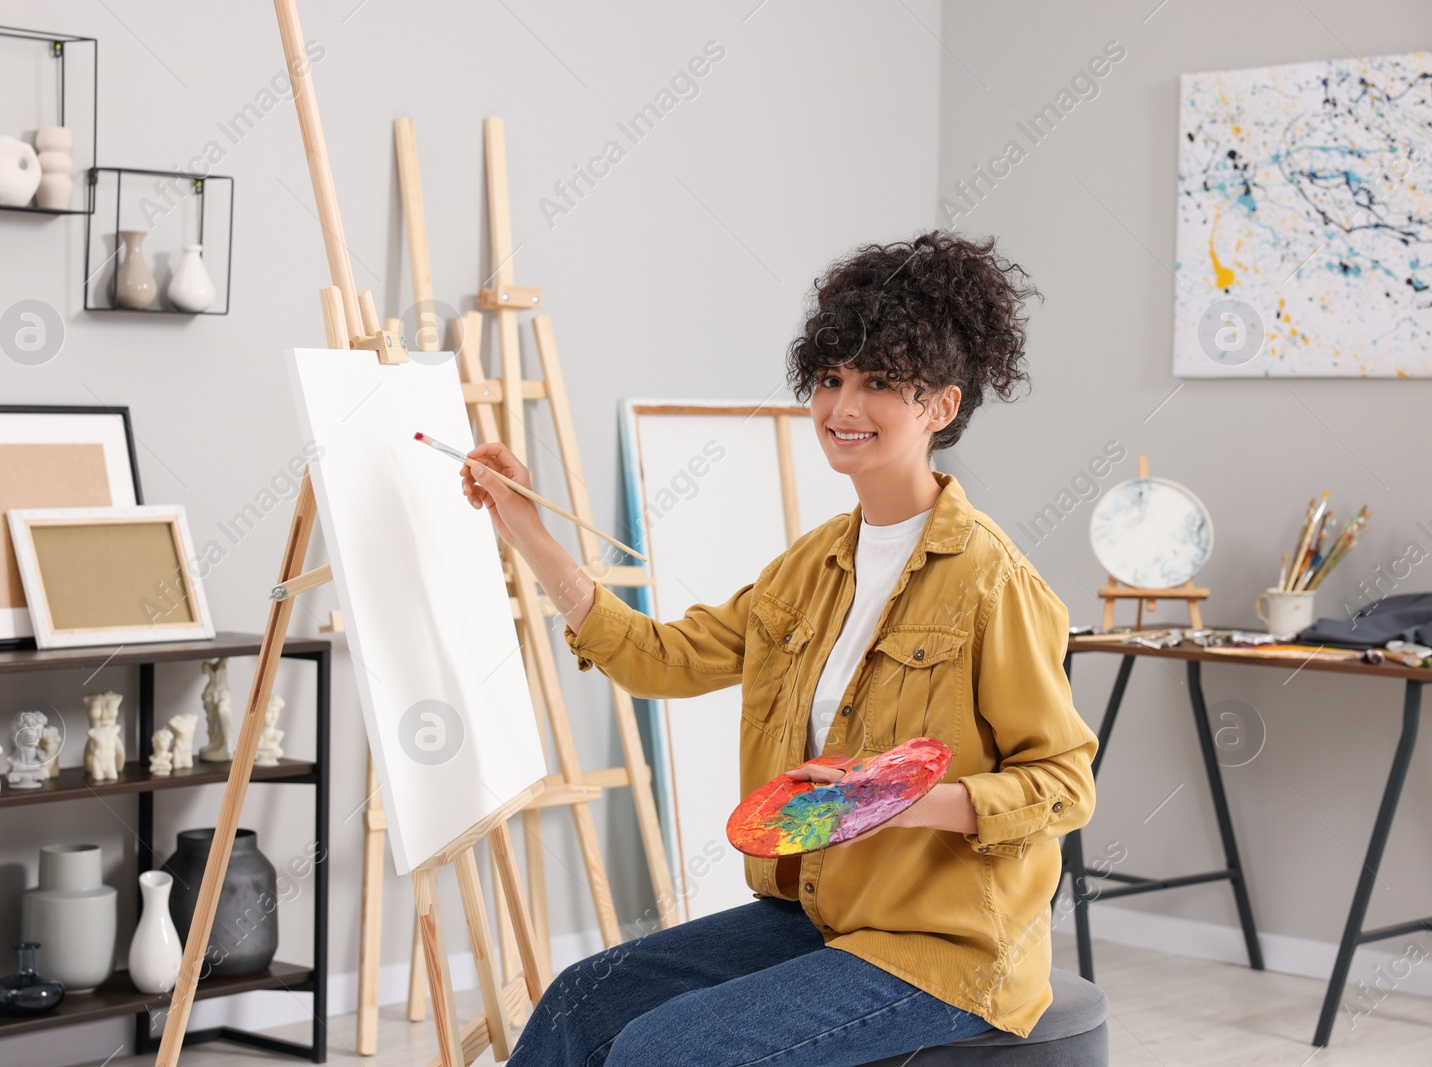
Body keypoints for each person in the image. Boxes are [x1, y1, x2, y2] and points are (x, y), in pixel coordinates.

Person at [459, 230, 1098, 1067]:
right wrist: (525, 528)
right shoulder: (812, 566)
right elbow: (661, 656)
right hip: (824, 914)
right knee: (581, 996)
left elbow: (1062, 784)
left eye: (877, 384)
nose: (843, 407)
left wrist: (900, 797)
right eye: (831, 379)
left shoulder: (992, 583)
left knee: (662, 1048)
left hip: (945, 948)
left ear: (940, 406)